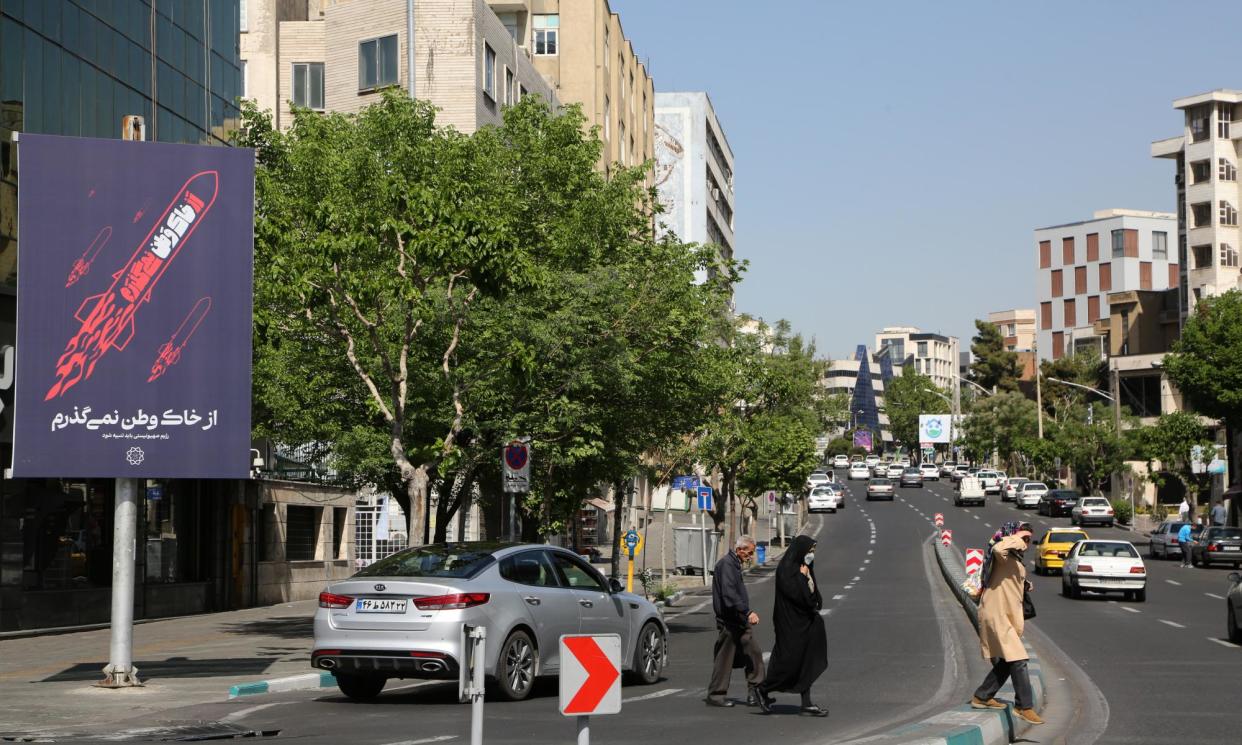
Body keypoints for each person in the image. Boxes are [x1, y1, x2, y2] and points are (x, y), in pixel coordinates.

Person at [971, 523, 1043, 726]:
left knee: (1007, 660)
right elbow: (996, 547)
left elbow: (1010, 581)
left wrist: (1025, 584)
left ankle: (982, 696)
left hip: (1005, 616)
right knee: (1018, 658)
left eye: (1029, 539)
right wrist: (1017, 538)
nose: (1026, 543)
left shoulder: (1014, 559)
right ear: (1012, 537)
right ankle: (1024, 707)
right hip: (996, 615)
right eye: (1024, 538)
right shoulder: (1003, 555)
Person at [754, 535, 828, 716]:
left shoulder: (805, 568)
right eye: (810, 551)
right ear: (800, 550)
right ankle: (763, 689)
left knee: (807, 662)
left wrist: (808, 577)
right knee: (789, 661)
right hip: (790, 625)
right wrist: (804, 579)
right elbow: (801, 599)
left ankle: (806, 703)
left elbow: (815, 598)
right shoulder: (787, 571)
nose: (811, 555)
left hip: (806, 624)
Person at [706, 535, 765, 708]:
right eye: (749, 553)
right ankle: (716, 695)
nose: (751, 556)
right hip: (730, 621)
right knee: (724, 660)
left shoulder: (733, 564)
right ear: (740, 550)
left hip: (738, 620)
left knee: (754, 654)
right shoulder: (726, 565)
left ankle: (754, 692)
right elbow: (729, 595)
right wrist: (747, 612)